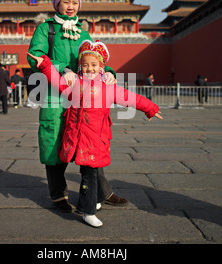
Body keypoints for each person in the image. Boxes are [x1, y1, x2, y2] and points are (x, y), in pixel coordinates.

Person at [28, 40, 163, 227]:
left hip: (96, 139)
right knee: (88, 173)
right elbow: (56, 81)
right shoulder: (75, 84)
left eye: (94, 65)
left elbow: (130, 98)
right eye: (85, 65)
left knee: (90, 173)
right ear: (80, 67)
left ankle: (88, 209)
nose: (89, 69)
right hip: (76, 137)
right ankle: (92, 204)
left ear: (101, 66)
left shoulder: (109, 87)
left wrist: (150, 108)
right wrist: (44, 64)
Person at [27, 0, 127, 213]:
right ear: (57, 4)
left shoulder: (82, 31)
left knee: (91, 140)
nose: (71, 6)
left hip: (83, 96)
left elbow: (95, 56)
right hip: (55, 93)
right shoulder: (46, 29)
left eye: (75, 2)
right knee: (53, 141)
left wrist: (109, 70)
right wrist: (62, 68)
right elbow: (35, 56)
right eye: (66, 2)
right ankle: (58, 195)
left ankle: (103, 192)